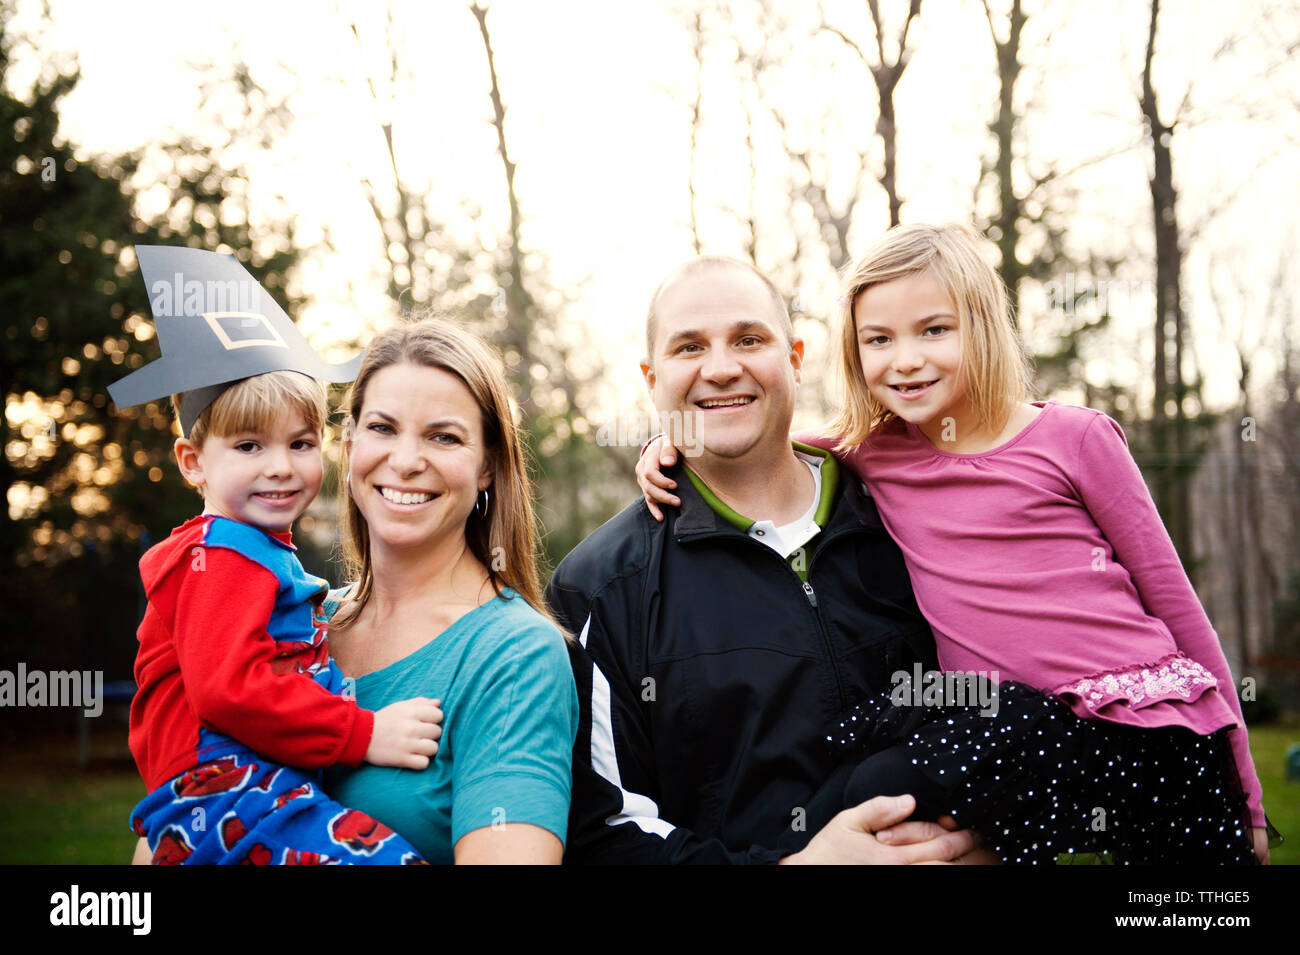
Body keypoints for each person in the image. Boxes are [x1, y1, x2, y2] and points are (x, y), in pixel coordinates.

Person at [638, 224, 1273, 864]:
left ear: (983, 328)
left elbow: (1179, 610)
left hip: (1148, 729)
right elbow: (760, 437)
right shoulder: (876, 451)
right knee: (871, 787)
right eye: (879, 340)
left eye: (934, 330)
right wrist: (668, 442)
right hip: (1010, 727)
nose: (906, 358)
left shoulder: (1074, 440)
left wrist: (1249, 799)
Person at [548, 254, 989, 864]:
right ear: (652, 378)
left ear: (796, 359)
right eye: (689, 347)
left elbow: (1028, 688)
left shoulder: (913, 515)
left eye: (749, 339)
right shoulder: (598, 586)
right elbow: (602, 832)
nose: (722, 368)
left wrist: (996, 840)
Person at [115, 249, 442, 865]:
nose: (281, 467)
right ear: (193, 462)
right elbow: (228, 691)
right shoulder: (223, 556)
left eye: (301, 442)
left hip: (249, 791)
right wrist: (364, 733)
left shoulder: (256, 553)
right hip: (224, 795)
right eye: (248, 445)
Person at [321, 318, 579, 865]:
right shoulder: (293, 623)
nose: (408, 461)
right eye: (383, 428)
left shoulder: (515, 655)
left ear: (486, 465)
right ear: (349, 445)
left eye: (444, 436)